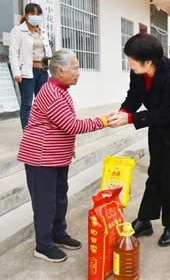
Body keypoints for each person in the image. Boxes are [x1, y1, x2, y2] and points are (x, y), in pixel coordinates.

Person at [108, 33, 170, 247]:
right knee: (155, 173)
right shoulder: (138, 73)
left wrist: (131, 118)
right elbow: (134, 96)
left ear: (148, 61)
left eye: (131, 59)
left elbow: (166, 114)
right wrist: (123, 112)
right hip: (159, 128)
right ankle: (145, 219)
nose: (129, 63)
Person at [17, 49, 111, 263]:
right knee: (45, 202)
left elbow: (61, 125)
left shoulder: (61, 89)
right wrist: (102, 121)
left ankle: (58, 234)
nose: (79, 73)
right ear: (59, 70)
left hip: (56, 155)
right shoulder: (51, 92)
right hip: (41, 157)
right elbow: (71, 125)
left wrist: (68, 147)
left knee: (59, 197)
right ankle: (43, 245)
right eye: (75, 68)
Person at [9, 3, 53, 129]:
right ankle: (28, 133)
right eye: (33, 14)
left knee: (43, 103)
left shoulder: (42, 31)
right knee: (27, 104)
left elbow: (48, 52)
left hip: (43, 72)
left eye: (38, 14)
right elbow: (13, 53)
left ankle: (41, 130)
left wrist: (52, 70)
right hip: (27, 72)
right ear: (26, 15)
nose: (36, 16)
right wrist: (16, 72)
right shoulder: (18, 30)